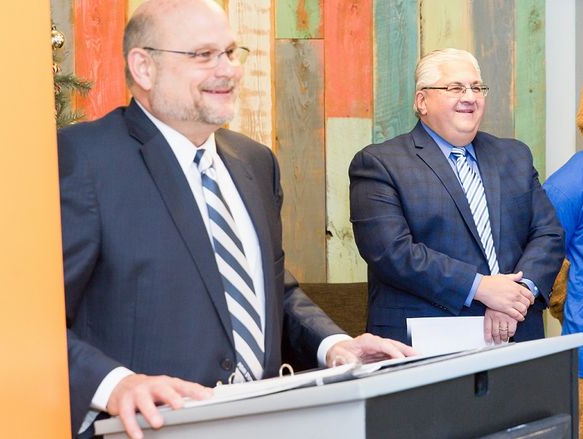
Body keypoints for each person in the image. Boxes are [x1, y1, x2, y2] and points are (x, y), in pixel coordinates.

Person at [59, 1, 414, 438]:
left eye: (230, 52)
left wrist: (334, 344)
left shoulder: (255, 162)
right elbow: (28, 319)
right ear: (144, 67)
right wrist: (115, 385)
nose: (228, 70)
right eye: (203, 55)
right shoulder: (82, 160)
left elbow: (271, 290)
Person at [349, 48, 564, 346]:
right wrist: (481, 288)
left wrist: (517, 297)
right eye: (455, 88)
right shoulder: (379, 163)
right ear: (422, 101)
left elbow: (548, 233)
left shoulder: (514, 155)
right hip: (424, 340)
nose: (470, 96)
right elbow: (392, 252)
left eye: (477, 87)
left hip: (517, 332)